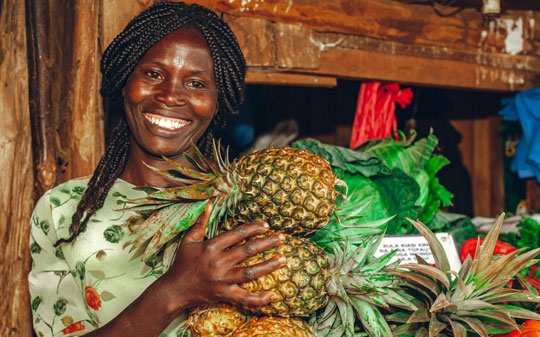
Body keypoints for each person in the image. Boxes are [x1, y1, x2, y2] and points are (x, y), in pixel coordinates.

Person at [28, 2, 285, 336]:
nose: (169, 96)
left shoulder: (252, 202)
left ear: (218, 102)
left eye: (196, 83)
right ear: (123, 81)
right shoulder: (62, 210)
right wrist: (175, 291)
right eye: (153, 74)